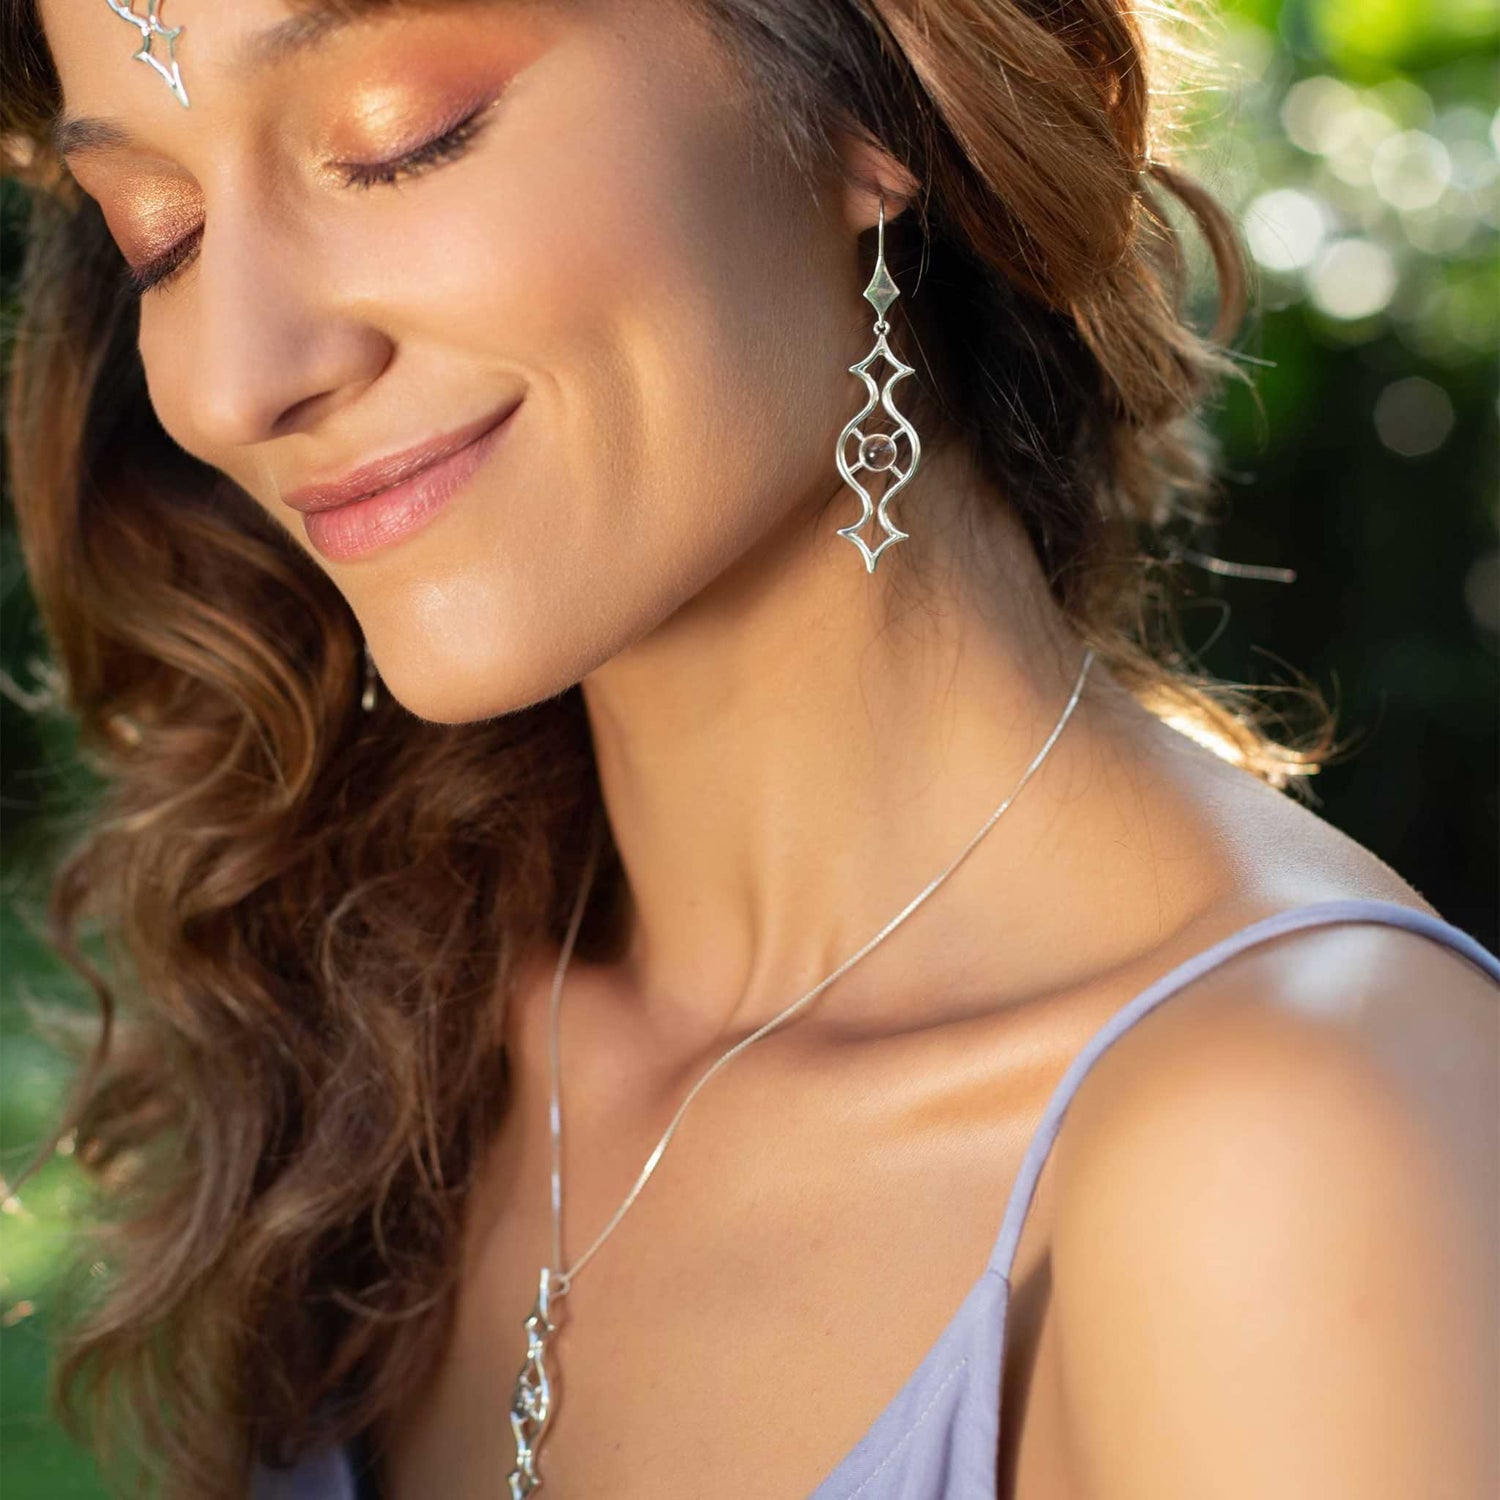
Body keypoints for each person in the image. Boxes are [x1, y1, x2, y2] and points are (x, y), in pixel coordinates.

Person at [3, 1, 1496, 1497]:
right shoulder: (397, 1041)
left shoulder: (1306, 1153)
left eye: (404, 136)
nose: (235, 378)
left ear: (871, 84)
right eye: (163, 235)